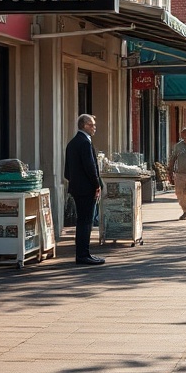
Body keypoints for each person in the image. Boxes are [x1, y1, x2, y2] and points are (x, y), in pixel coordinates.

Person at [63, 114, 105, 266]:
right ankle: (83, 254)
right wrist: (96, 185)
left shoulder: (72, 143)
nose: (95, 128)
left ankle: (83, 253)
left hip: (77, 188)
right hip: (86, 189)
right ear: (85, 125)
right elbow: (90, 167)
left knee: (82, 221)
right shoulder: (84, 143)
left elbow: (67, 172)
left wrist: (74, 181)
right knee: (86, 222)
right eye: (92, 125)